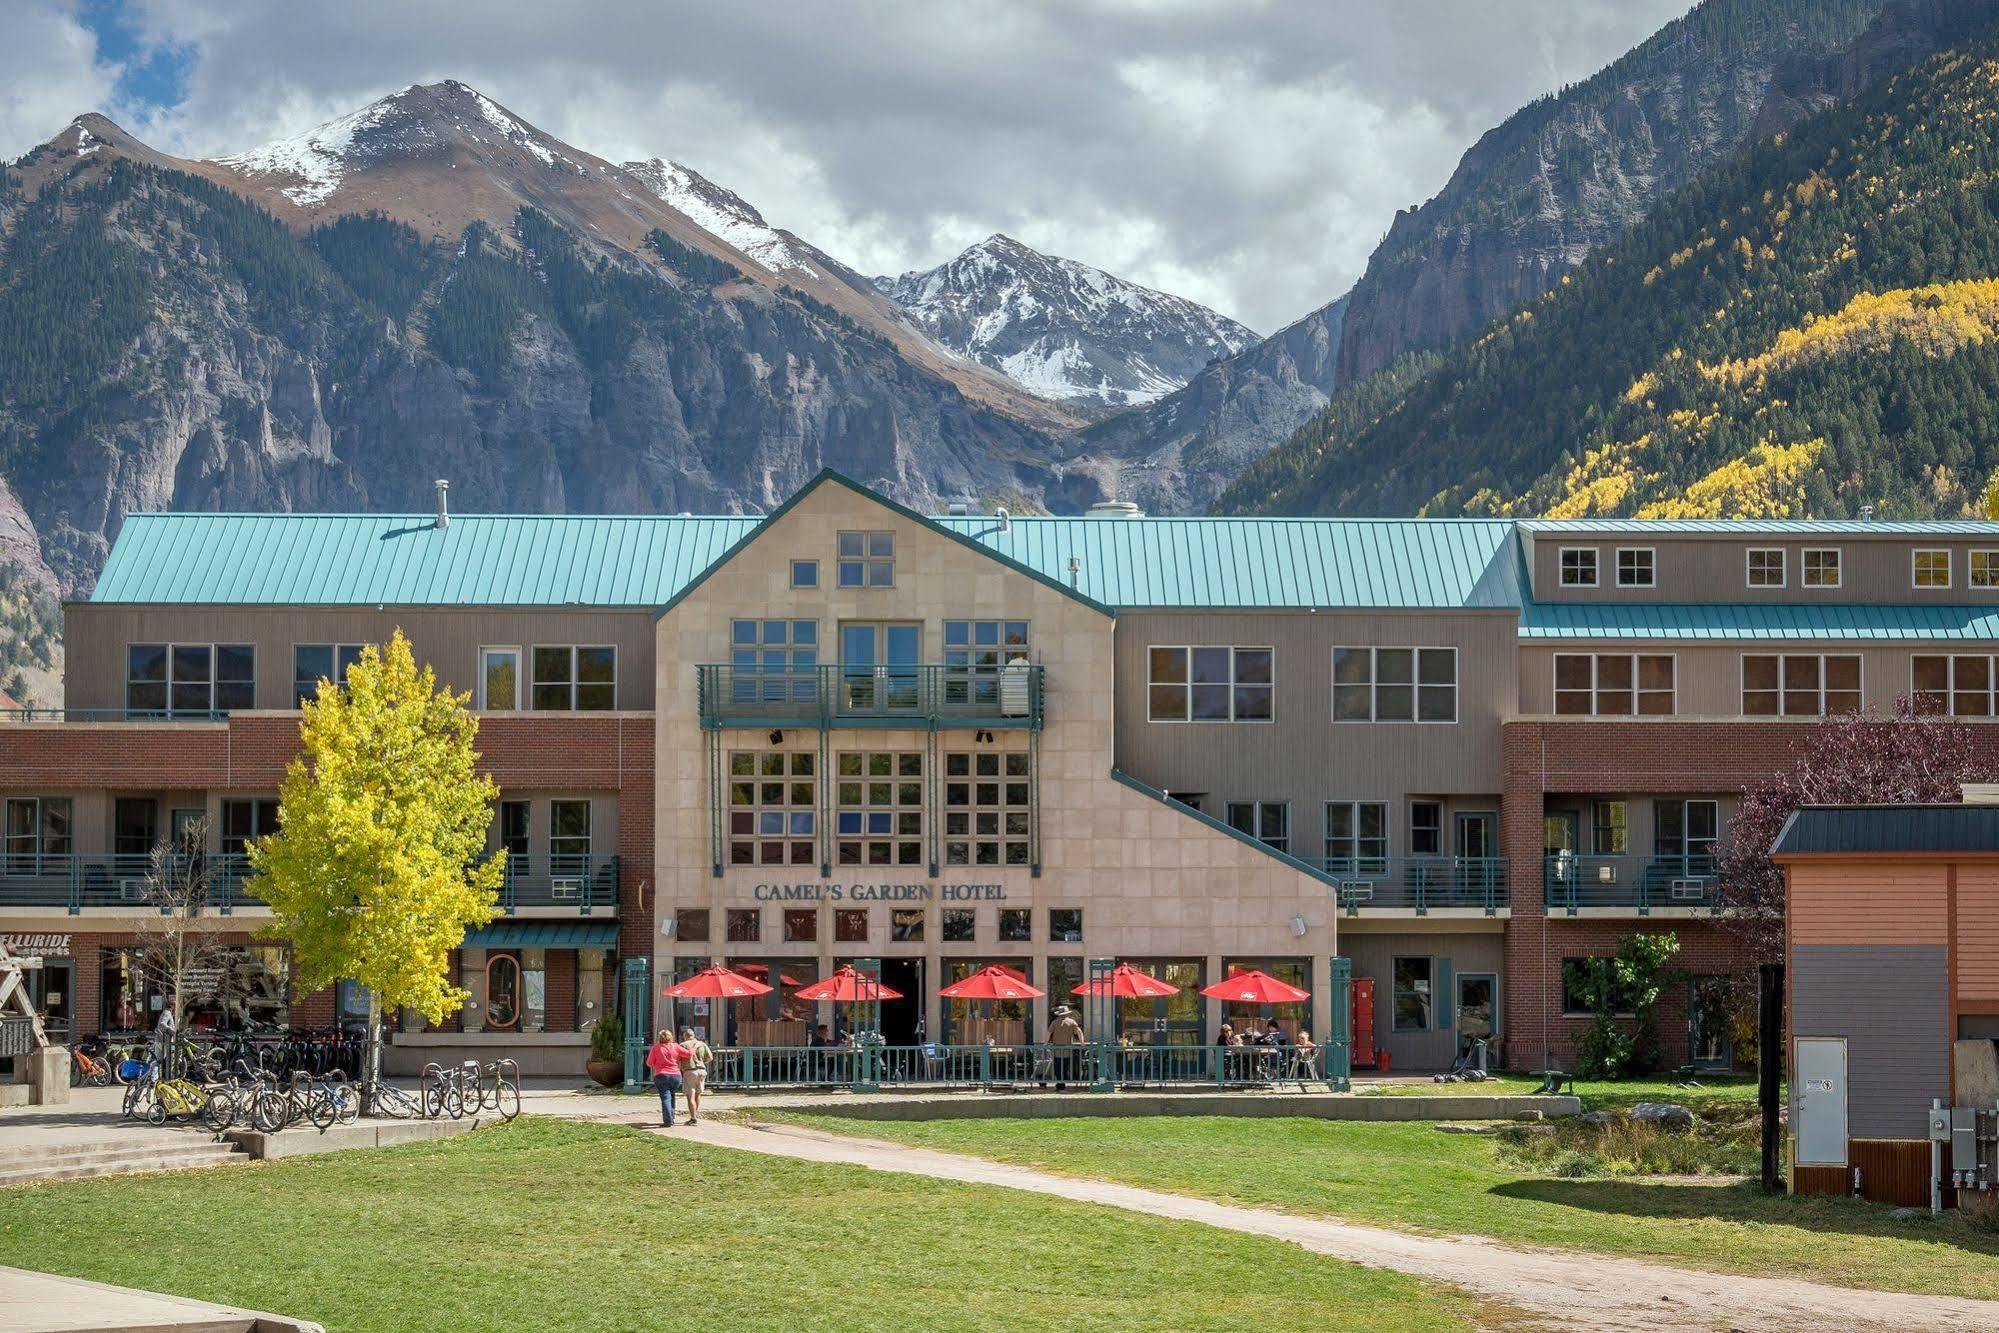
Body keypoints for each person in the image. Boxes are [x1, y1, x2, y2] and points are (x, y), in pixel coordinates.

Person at [645, 1028, 692, 1127]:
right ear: (670, 1037)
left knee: (666, 1097)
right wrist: (695, 1047)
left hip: (661, 1075)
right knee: (672, 1095)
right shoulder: (675, 1046)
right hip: (676, 1075)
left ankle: (668, 1121)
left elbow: (649, 1063)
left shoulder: (656, 1048)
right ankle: (672, 1117)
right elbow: (688, 1054)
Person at [679, 1027, 713, 1124]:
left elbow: (679, 1059)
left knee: (690, 1096)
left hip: (690, 1071)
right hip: (702, 1071)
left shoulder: (683, 1045)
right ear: (693, 1036)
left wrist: (681, 1068)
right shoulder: (702, 1044)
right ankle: (694, 1115)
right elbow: (710, 1057)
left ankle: (693, 1119)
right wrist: (702, 1063)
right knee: (698, 1094)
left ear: (685, 1036)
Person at [1046, 1004, 1084, 1090]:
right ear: (1067, 1013)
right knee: (1065, 1067)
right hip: (1068, 1050)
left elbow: (1048, 1033)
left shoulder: (1054, 1022)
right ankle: (1062, 1084)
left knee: (1057, 1068)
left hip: (1057, 1050)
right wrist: (1082, 1043)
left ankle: (1060, 1084)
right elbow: (1079, 1032)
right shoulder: (1072, 1022)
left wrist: (1045, 1043)